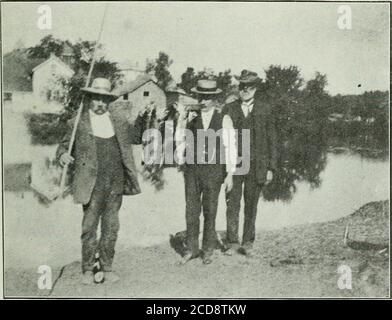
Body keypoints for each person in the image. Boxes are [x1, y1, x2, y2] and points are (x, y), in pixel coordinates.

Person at [57, 78, 143, 285]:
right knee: (89, 227)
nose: (100, 104)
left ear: (108, 101)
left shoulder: (119, 122)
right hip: (91, 183)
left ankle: (107, 267)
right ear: (89, 99)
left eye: (104, 100)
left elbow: (136, 140)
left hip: (115, 183)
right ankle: (88, 269)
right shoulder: (77, 122)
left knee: (111, 227)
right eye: (96, 99)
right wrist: (62, 156)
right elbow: (62, 147)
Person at [175, 79, 237, 265]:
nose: (204, 101)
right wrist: (181, 159)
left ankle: (208, 250)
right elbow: (180, 138)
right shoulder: (190, 117)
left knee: (210, 211)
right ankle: (192, 249)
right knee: (191, 210)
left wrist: (230, 174)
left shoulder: (223, 118)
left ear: (214, 98)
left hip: (214, 171)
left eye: (208, 97)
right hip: (193, 170)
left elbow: (231, 147)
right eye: (201, 97)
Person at [222, 70, 278, 256]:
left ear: (255, 88)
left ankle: (247, 242)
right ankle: (232, 242)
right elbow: (222, 139)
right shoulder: (229, 108)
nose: (245, 89)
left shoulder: (265, 109)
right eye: (242, 86)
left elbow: (272, 140)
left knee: (251, 204)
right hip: (235, 164)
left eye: (249, 86)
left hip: (257, 165)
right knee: (232, 203)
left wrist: (271, 168)